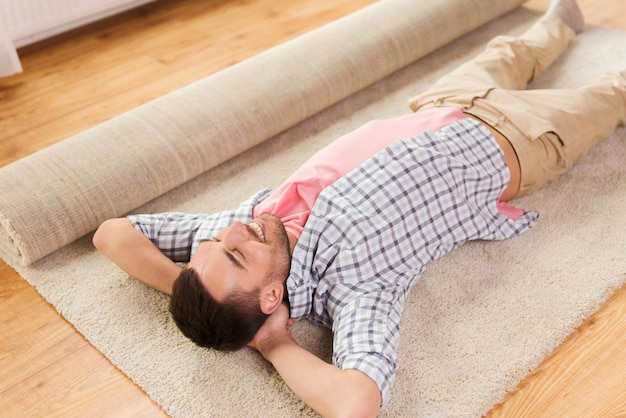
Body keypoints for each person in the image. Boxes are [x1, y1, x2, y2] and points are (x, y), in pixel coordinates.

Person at [93, 1, 625, 416]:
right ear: (273, 296)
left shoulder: (254, 224)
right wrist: (274, 342)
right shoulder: (354, 285)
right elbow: (356, 403)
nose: (232, 230)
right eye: (234, 258)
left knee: (513, 52)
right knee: (613, 94)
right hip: (522, 142)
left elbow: (112, 236)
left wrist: (194, 288)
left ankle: (561, 21)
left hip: (444, 105)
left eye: (215, 246)